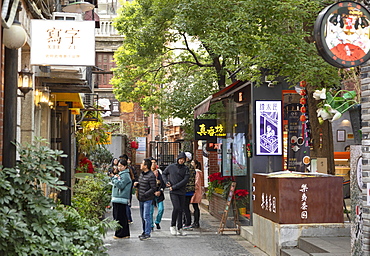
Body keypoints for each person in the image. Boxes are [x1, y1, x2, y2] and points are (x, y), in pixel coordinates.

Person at [162, 152, 190, 236]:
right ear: (177, 159)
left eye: (183, 159)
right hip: (173, 191)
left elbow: (185, 180)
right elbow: (164, 173)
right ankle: (172, 225)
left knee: (181, 209)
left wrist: (174, 186)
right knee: (176, 207)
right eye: (180, 159)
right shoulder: (171, 167)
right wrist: (166, 182)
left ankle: (180, 228)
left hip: (181, 190)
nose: (181, 161)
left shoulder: (186, 169)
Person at [134, 158, 156, 240]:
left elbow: (153, 188)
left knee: (146, 216)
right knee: (142, 216)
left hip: (147, 199)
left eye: (142, 164)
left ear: (146, 166)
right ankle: (144, 231)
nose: (140, 165)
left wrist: (145, 194)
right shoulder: (142, 174)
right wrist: (137, 185)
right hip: (141, 199)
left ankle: (147, 233)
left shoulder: (151, 175)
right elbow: (142, 185)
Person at [110, 159, 132, 239]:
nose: (119, 167)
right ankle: (124, 233)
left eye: (121, 166)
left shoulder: (125, 175)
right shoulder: (121, 174)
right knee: (121, 216)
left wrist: (114, 178)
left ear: (125, 166)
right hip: (118, 198)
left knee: (119, 217)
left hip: (120, 198)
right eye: (118, 166)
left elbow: (121, 185)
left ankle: (120, 233)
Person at [120, 154, 138, 224]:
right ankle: (128, 219)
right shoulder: (129, 169)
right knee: (127, 204)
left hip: (126, 190)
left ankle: (128, 218)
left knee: (126, 204)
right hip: (128, 189)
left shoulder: (127, 171)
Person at [150, 158, 165, 230]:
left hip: (159, 194)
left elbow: (163, 182)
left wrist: (160, 190)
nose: (154, 164)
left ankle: (157, 221)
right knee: (150, 211)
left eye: (155, 162)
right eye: (152, 162)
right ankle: (151, 225)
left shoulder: (159, 172)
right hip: (151, 194)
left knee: (161, 209)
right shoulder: (148, 173)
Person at [183, 152, 196, 230]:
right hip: (191, 189)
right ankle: (186, 222)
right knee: (186, 206)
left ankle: (187, 223)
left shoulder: (186, 166)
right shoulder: (191, 166)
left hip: (186, 189)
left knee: (185, 207)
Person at [190, 159, 204, 228]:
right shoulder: (194, 171)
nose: (191, 164)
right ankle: (195, 222)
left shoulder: (197, 172)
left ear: (196, 165)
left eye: (193, 163)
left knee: (195, 206)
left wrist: (193, 187)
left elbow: (197, 182)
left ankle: (196, 222)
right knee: (194, 206)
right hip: (195, 190)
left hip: (196, 191)